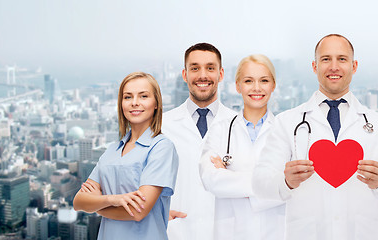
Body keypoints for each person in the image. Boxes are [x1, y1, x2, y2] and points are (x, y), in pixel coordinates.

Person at [252, 34, 378, 240]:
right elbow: (259, 182)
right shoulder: (287, 122)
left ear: (354, 66)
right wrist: (286, 181)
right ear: (314, 66)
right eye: (326, 59)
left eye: (342, 59)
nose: (334, 66)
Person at [73, 72, 179, 240]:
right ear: (121, 104)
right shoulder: (112, 151)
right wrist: (113, 199)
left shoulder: (161, 147)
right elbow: (79, 202)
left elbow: (138, 212)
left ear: (156, 103)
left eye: (143, 96)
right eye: (128, 97)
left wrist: (97, 205)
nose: (135, 103)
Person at [199, 54, 285, 239]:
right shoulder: (220, 129)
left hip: (274, 232)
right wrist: (270, 183)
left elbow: (290, 188)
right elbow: (210, 179)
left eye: (264, 80)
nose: (256, 88)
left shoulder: (285, 131)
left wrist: (229, 178)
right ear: (237, 86)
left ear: (273, 85)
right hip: (230, 232)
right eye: (248, 81)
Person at [163, 43, 237, 240]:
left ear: (220, 75)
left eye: (210, 68)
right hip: (175, 233)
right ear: (185, 74)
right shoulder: (162, 126)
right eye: (194, 68)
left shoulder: (239, 126)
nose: (202, 75)